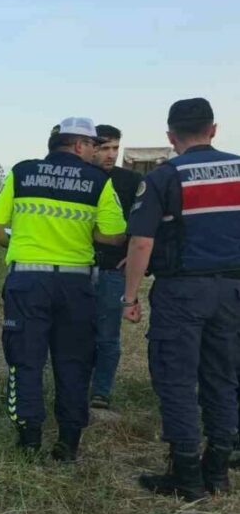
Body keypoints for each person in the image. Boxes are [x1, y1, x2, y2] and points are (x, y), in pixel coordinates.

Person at [0, 117, 126, 461]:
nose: (96, 151)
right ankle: (68, 442)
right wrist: (85, 234)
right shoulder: (98, 182)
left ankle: (29, 437)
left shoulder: (22, 173)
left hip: (27, 282)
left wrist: (19, 247)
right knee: (74, 362)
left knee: (25, 358)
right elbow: (115, 235)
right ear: (79, 146)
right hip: (76, 284)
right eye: (94, 145)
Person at [122, 97, 240, 500]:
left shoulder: (165, 177)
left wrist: (130, 297)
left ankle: (186, 477)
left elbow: (141, 243)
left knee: (176, 380)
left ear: (171, 136)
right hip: (232, 292)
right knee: (223, 378)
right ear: (214, 129)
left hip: (181, 292)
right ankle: (219, 472)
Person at [87, 125, 142, 416]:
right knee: (78, 332)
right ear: (91, 147)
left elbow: (145, 223)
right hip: (79, 268)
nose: (110, 154)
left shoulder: (131, 180)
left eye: (115, 148)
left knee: (108, 335)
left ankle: (101, 392)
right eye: (104, 147)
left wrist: (133, 258)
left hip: (113, 269)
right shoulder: (82, 178)